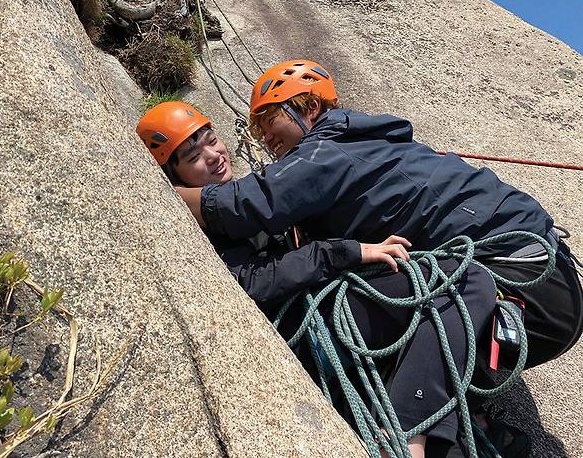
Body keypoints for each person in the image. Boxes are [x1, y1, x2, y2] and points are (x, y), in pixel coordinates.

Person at [137, 101, 499, 458]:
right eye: (193, 155)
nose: (213, 154)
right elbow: (251, 284)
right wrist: (348, 252)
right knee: (454, 277)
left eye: (210, 139)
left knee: (466, 278)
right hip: (306, 330)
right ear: (176, 177)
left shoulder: (245, 199)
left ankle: (452, 430)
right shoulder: (202, 226)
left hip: (324, 318)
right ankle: (404, 438)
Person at [175, 59, 583, 374]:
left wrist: (166, 192)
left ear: (310, 108)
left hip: (515, 275)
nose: (264, 135)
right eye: (257, 127)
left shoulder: (326, 151)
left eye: (270, 119)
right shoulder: (362, 143)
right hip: (543, 282)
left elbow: (248, 202)